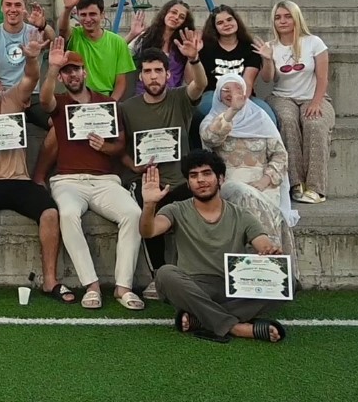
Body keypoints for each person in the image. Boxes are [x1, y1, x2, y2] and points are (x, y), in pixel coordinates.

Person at [0, 51, 74, 305]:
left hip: (19, 180)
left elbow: (31, 76)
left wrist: (32, 58)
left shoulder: (13, 99)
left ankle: (50, 280)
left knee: (50, 212)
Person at [35, 38, 144, 311]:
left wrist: (104, 146)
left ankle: (123, 286)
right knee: (68, 214)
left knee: (133, 213)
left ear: (84, 72)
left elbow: (120, 144)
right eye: (66, 72)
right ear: (62, 77)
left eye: (76, 70)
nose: (72, 75)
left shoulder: (107, 103)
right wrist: (52, 68)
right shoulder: (60, 103)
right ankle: (91, 285)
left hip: (105, 180)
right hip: (68, 181)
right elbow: (44, 99)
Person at [140, 154, 288, 344]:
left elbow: (263, 243)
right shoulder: (175, 209)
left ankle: (202, 318)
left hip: (234, 288)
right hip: (194, 287)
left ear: (221, 179)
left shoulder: (241, 215)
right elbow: (149, 231)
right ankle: (235, 327)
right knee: (165, 274)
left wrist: (270, 251)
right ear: (188, 183)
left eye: (207, 173)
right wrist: (149, 205)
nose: (200, 180)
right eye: (193, 175)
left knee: (288, 280)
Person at [119, 40, 208, 297]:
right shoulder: (127, 108)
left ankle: (196, 273)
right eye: (147, 71)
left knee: (200, 204)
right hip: (146, 180)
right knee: (145, 206)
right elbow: (120, 149)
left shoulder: (180, 98)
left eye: (158, 70)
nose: (153, 76)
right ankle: (158, 276)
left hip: (180, 180)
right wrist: (133, 165)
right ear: (140, 76)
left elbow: (200, 84)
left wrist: (194, 59)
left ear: (168, 74)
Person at [201, 75, 299, 255]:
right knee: (243, 194)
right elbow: (210, 138)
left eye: (237, 89)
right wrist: (232, 111)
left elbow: (280, 155)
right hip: (230, 182)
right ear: (218, 95)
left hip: (264, 183)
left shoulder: (260, 118)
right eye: (226, 90)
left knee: (263, 205)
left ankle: (271, 259)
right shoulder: (211, 120)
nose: (231, 94)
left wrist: (264, 181)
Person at [263, 0, 335, 204]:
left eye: (288, 16)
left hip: (314, 96)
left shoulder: (314, 42)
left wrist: (316, 102)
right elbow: (267, 79)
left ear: (296, 19)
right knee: (286, 121)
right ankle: (295, 184)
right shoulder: (270, 46)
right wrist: (267, 59)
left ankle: (315, 188)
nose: (283, 21)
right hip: (282, 97)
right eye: (278, 17)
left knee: (315, 124)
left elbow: (323, 78)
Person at [197, 5, 277, 122]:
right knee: (205, 109)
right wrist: (193, 56)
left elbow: (248, 82)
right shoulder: (206, 48)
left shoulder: (249, 48)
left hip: (243, 95)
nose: (226, 24)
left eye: (229, 19)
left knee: (267, 115)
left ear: (236, 21)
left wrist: (238, 103)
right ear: (215, 27)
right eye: (220, 23)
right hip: (214, 95)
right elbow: (192, 80)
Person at [57, 0, 135, 99]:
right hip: (76, 98)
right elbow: (62, 30)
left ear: (102, 14)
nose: (88, 19)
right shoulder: (75, 35)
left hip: (106, 98)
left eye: (92, 14)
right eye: (83, 15)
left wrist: (110, 104)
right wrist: (67, 9)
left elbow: (120, 82)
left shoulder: (118, 42)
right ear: (77, 15)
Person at [125, 0, 194, 95]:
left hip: (171, 96)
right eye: (173, 12)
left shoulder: (184, 44)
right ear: (165, 13)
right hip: (143, 94)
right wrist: (132, 34)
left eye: (181, 17)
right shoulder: (147, 36)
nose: (176, 17)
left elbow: (190, 80)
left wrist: (192, 56)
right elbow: (119, 52)